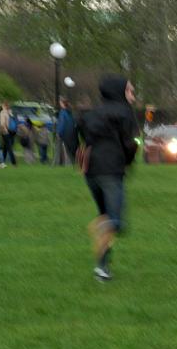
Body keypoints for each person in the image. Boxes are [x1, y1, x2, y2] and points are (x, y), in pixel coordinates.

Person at [78, 75, 138, 282]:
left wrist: (81, 151)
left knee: (105, 217)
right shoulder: (125, 113)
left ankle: (102, 269)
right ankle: (105, 227)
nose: (133, 95)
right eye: (130, 91)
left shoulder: (92, 113)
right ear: (119, 92)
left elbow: (75, 132)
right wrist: (129, 159)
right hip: (112, 170)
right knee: (116, 223)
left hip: (91, 171)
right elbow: (129, 143)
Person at [57, 97, 79, 164]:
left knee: (66, 151)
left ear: (62, 104)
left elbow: (62, 124)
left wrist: (59, 133)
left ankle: (67, 163)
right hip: (72, 134)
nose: (59, 104)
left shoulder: (62, 112)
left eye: (60, 102)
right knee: (71, 150)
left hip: (65, 134)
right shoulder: (70, 112)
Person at [0, 101, 17, 166]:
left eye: (2, 105)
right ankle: (2, 162)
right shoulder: (10, 113)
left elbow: (2, 123)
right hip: (10, 131)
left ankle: (14, 162)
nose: (1, 106)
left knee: (8, 147)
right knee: (5, 147)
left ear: (4, 106)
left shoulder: (2, 113)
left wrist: (1, 130)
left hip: (5, 131)